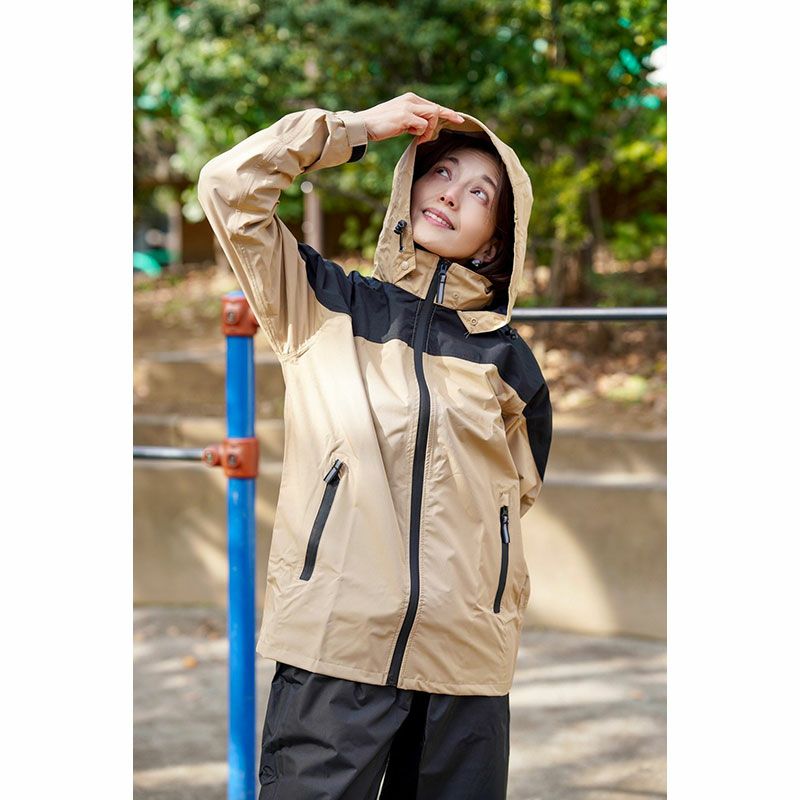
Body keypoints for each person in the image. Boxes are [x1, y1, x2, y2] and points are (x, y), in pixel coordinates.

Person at [197, 92, 553, 800]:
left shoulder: (511, 364)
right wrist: (357, 128)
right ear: (411, 186)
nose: (450, 193)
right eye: (441, 172)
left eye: (479, 192)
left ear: (495, 240)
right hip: (337, 646)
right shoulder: (325, 303)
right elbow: (228, 188)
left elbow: (515, 496)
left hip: (465, 669)